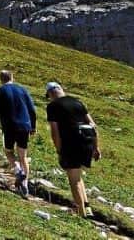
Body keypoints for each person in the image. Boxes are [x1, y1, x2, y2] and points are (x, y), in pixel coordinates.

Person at [45, 82, 101, 217]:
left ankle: (81, 213)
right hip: (86, 142)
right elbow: (93, 125)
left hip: (70, 143)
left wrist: (59, 150)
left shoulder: (53, 106)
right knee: (78, 175)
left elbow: (55, 131)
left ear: (51, 94)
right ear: (61, 90)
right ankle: (87, 207)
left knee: (73, 178)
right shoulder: (78, 102)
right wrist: (96, 147)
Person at [0, 70, 37, 197]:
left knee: (9, 151)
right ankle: (25, 186)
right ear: (12, 77)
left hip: (9, 126)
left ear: (1, 79)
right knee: (23, 155)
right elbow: (32, 109)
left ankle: (17, 169)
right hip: (24, 125)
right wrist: (33, 126)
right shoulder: (23, 90)